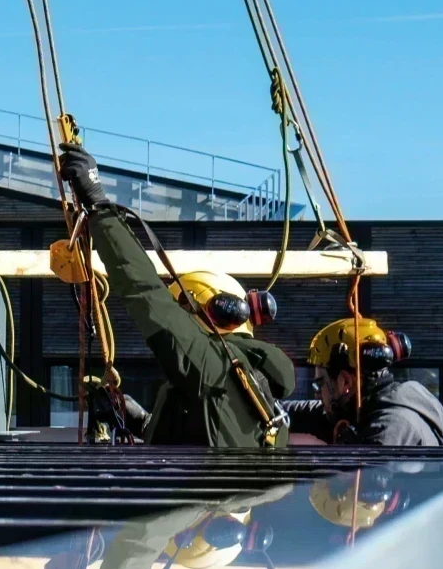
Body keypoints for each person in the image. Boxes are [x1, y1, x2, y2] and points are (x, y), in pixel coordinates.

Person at [57, 144, 300, 448]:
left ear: (202, 312)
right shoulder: (255, 388)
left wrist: (98, 205)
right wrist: (135, 418)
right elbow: (203, 435)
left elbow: (144, 290)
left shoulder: (213, 366)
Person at [301, 315, 443, 448]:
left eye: (319, 385)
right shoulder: (383, 405)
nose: (317, 395)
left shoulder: (385, 432)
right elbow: (310, 411)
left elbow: (352, 477)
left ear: (345, 382)